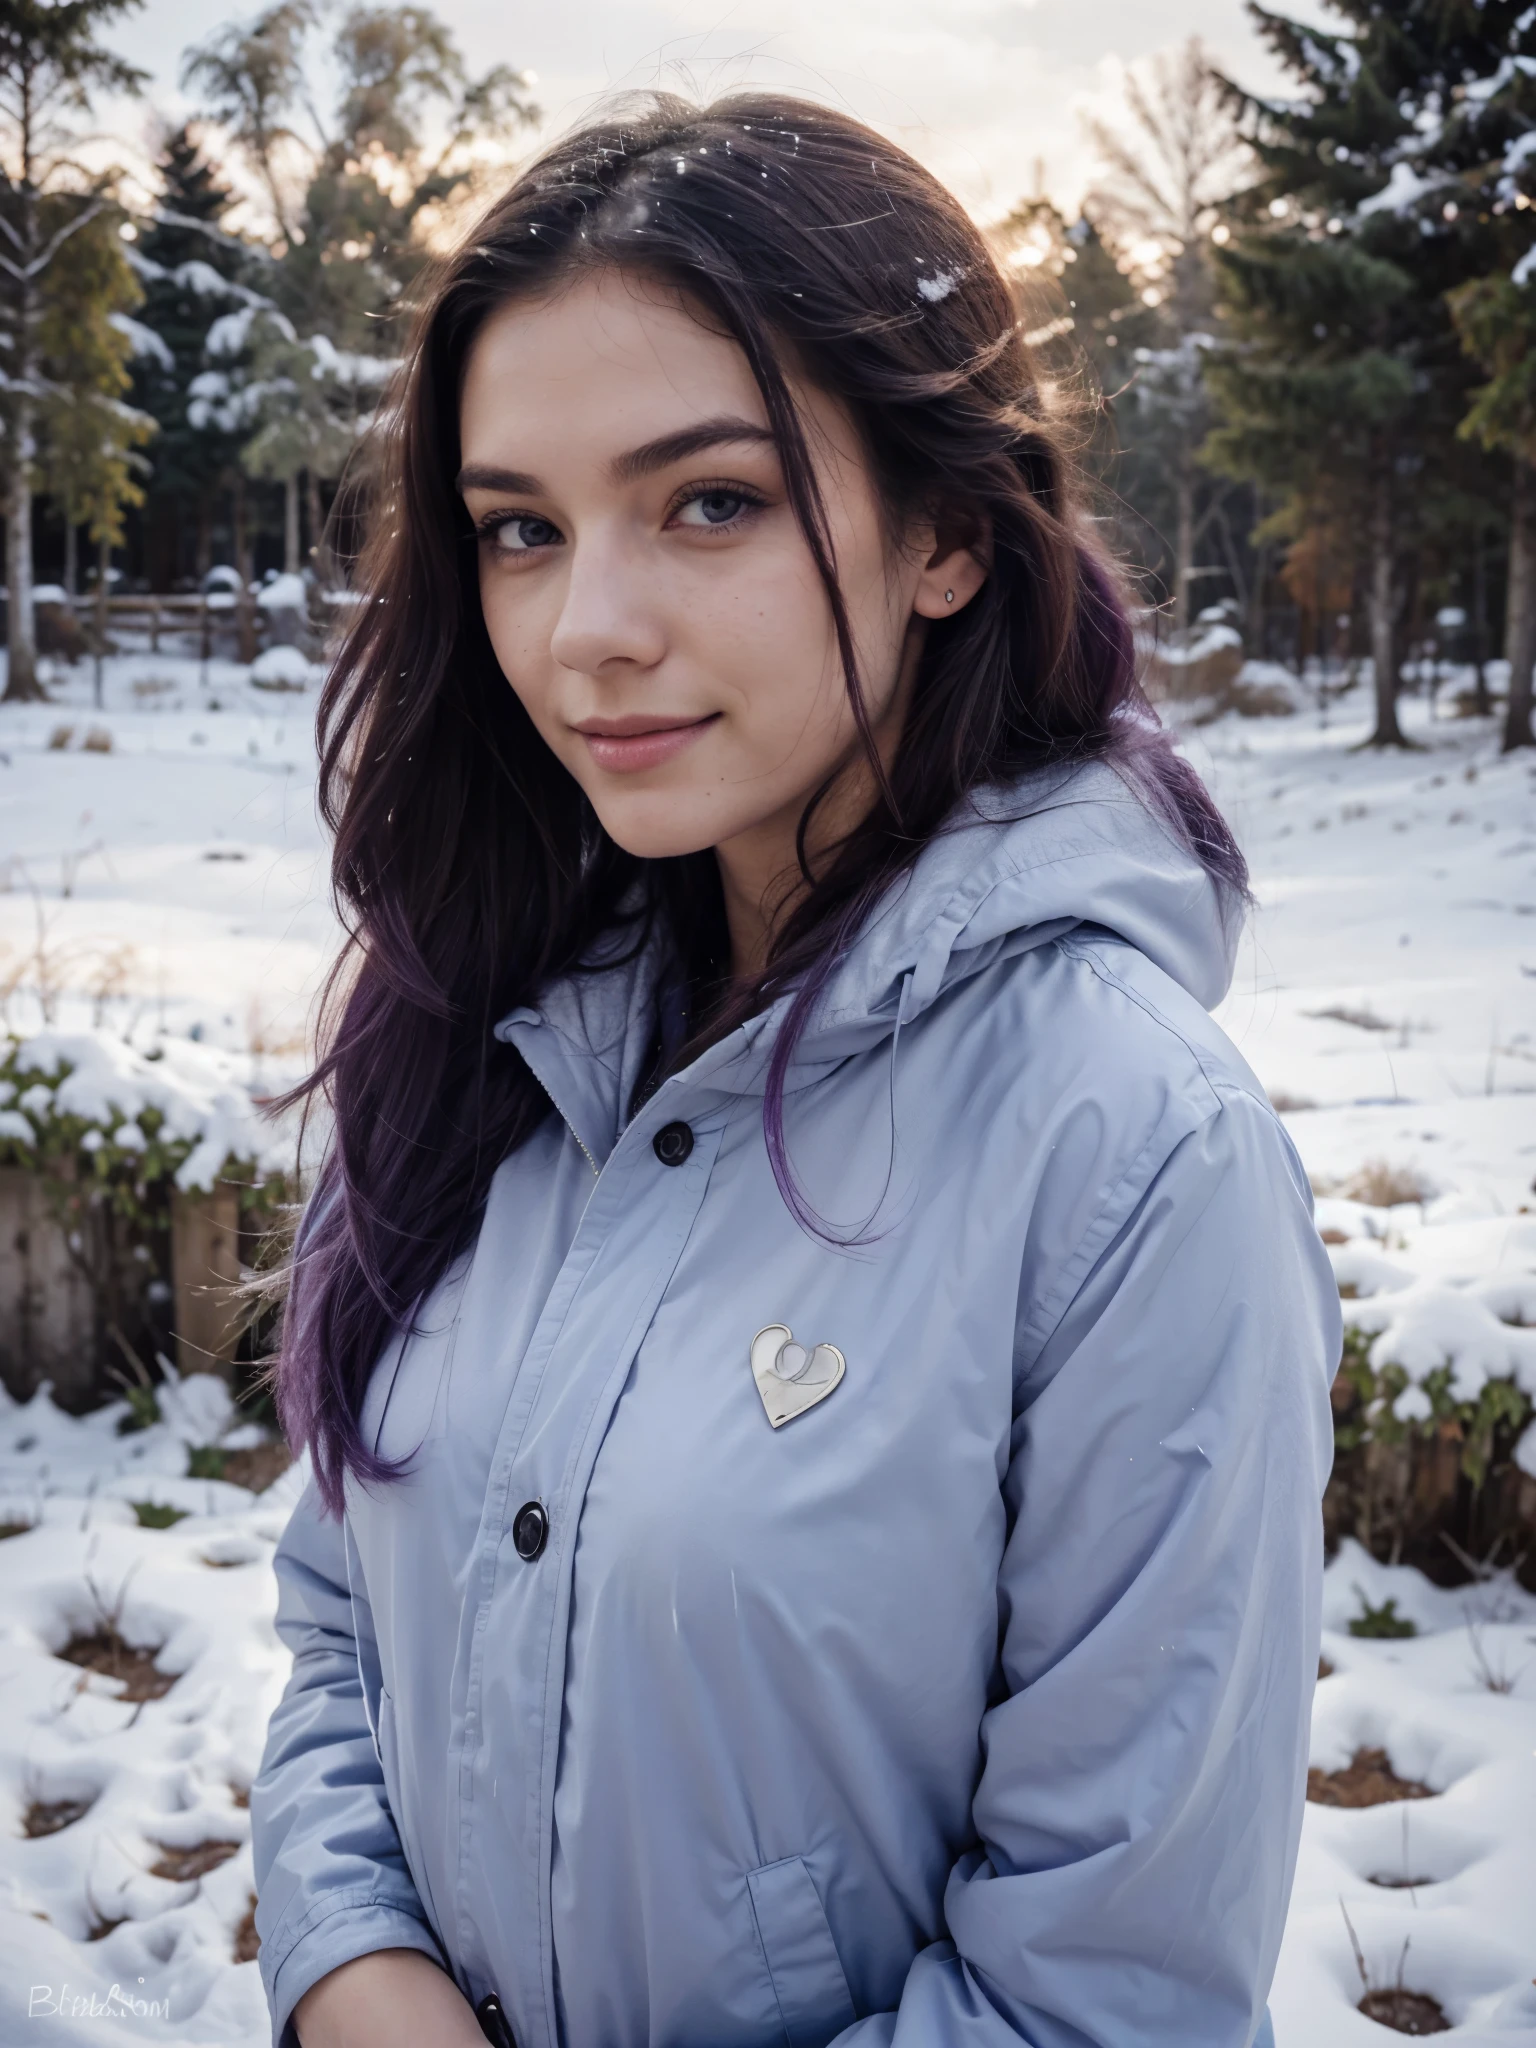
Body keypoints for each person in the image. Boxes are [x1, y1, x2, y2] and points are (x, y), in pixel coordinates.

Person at [249, 91, 1340, 2048]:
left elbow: (1106, 1993)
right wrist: (359, 1976)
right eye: (520, 529)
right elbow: (347, 1627)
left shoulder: (1131, 1149)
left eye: (710, 500)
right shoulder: (475, 1025)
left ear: (943, 530)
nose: (587, 628)